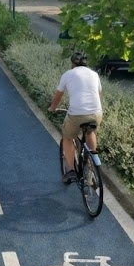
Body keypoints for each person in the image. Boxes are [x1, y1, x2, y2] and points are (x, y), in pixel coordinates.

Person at [47, 51, 103, 183]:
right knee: (90, 131)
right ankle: (92, 160)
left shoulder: (68, 74)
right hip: (96, 112)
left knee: (67, 137)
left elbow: (58, 96)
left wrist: (52, 108)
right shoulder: (94, 74)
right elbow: (99, 94)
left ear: (72, 63)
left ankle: (71, 171)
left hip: (77, 114)